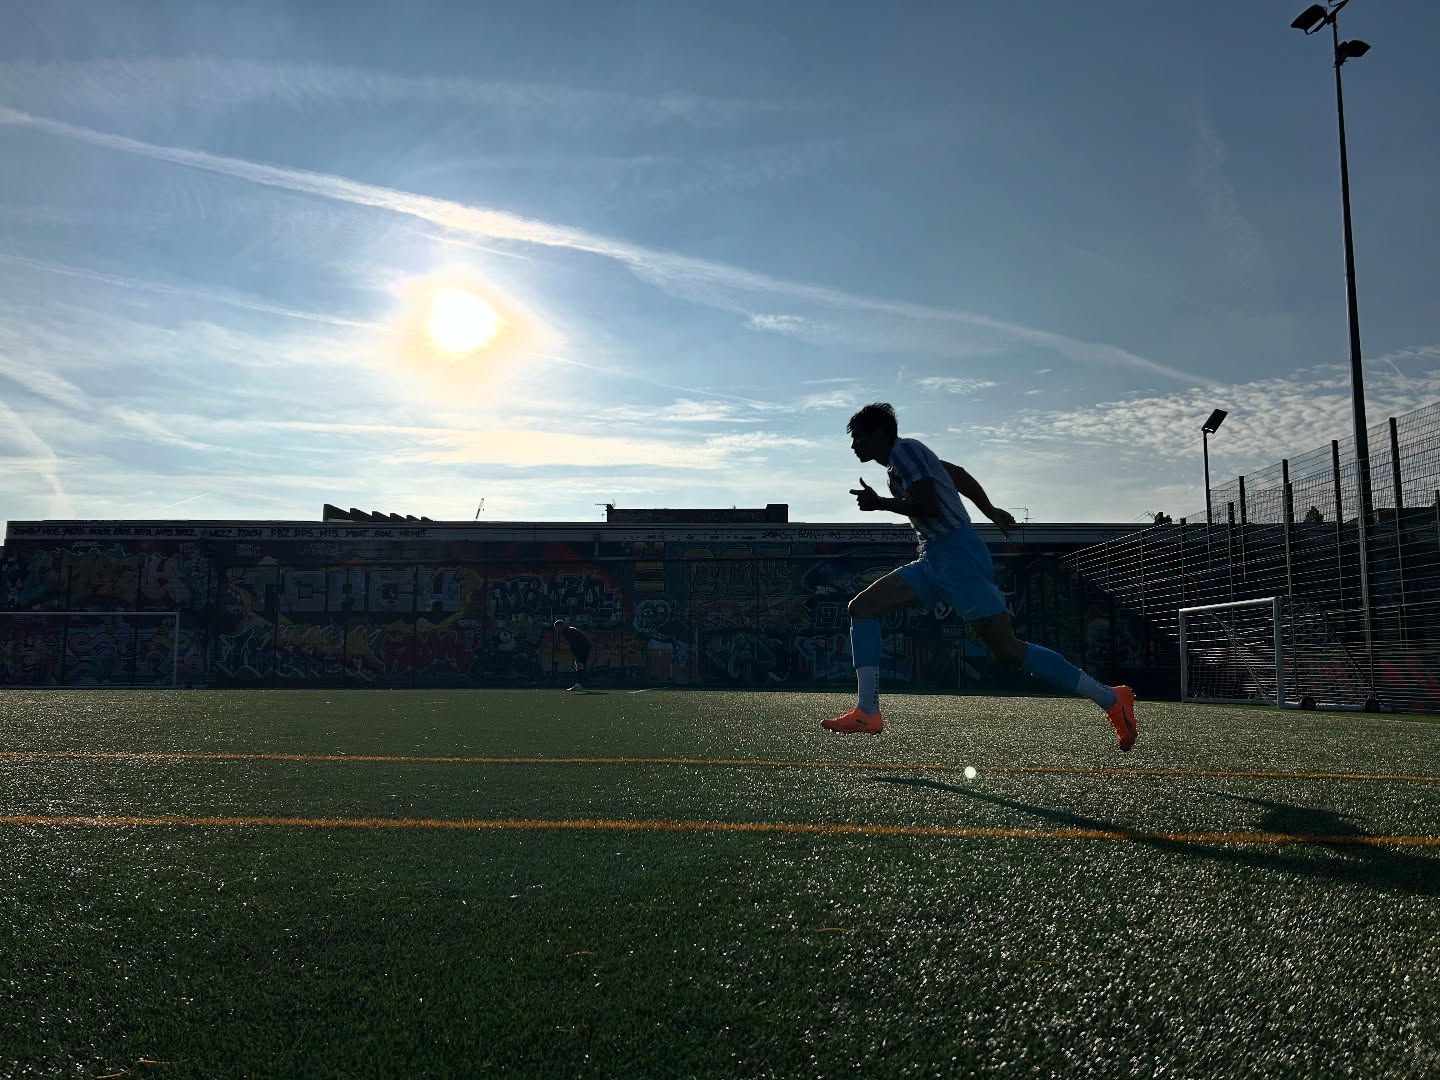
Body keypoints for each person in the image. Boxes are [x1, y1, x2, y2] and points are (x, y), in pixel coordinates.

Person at [825, 402, 1136, 750]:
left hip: (956, 557)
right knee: (863, 608)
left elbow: (928, 504)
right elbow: (956, 474)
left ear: (879, 434)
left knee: (1008, 649)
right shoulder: (907, 459)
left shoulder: (905, 452)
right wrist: (989, 510)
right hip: (937, 558)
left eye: (858, 437)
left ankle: (1112, 698)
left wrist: (881, 503)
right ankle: (867, 711)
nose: (853, 446)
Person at [553, 620, 591, 692]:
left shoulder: (569, 631)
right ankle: (579, 683)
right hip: (582, 647)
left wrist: (576, 654)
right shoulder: (567, 631)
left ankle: (579, 684)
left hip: (583, 647)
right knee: (579, 665)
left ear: (561, 626)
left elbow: (574, 643)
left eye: (557, 628)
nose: (557, 630)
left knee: (579, 665)